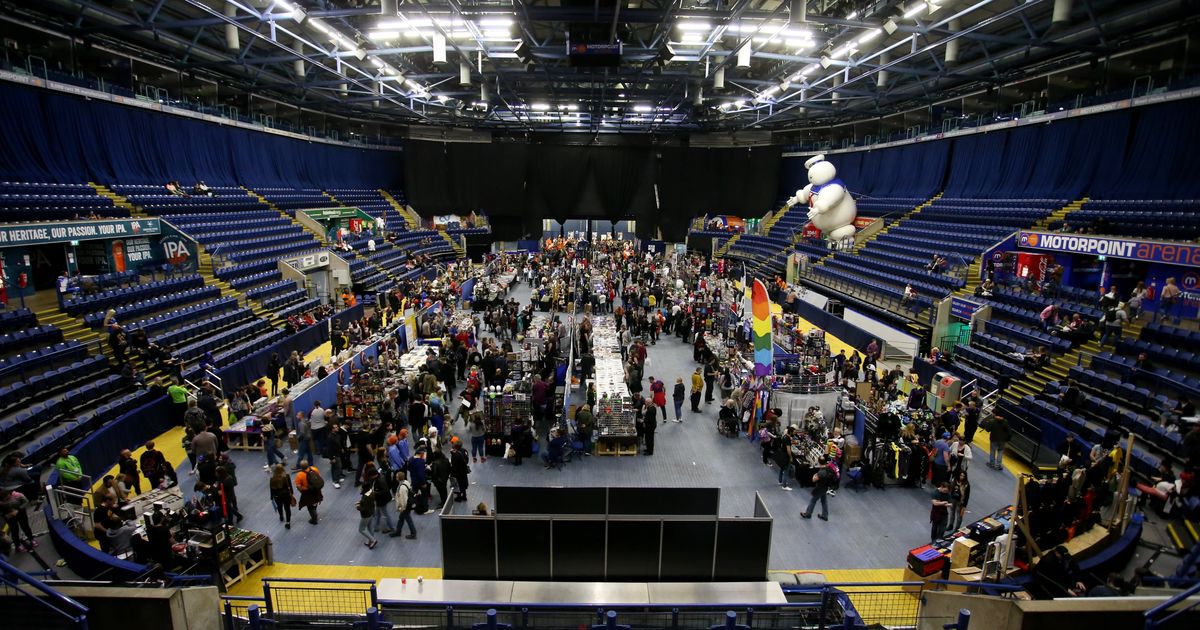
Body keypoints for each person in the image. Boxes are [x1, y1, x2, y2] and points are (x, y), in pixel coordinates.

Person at [801, 456, 833, 521]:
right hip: (825, 487)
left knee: (813, 501)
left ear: (819, 462)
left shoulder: (821, 472)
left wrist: (814, 475)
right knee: (824, 501)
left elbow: (814, 480)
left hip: (819, 488)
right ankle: (825, 515)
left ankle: (808, 514)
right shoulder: (827, 468)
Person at [294, 460, 323, 525]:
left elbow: (298, 486)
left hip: (307, 492)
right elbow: (318, 477)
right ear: (308, 465)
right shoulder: (314, 469)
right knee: (315, 501)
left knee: (310, 506)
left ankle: (314, 519)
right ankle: (315, 509)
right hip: (316, 489)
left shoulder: (299, 475)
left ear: (301, 467)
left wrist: (302, 492)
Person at [390, 471, 417, 539]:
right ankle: (398, 531)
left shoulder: (401, 487)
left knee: (408, 519)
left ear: (398, 478)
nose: (396, 478)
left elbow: (403, 499)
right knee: (401, 518)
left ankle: (413, 533)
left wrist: (402, 508)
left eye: (396, 476)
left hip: (405, 506)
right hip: (408, 505)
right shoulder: (406, 482)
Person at [269, 464, 294, 529]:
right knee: (287, 508)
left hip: (277, 496)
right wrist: (291, 493)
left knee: (279, 507)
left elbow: (271, 489)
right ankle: (288, 522)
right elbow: (290, 485)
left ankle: (281, 516)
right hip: (286, 495)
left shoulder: (272, 478)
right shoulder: (286, 476)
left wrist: (271, 497)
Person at [356, 483, 380, 550]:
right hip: (371, 512)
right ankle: (370, 542)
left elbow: (364, 509)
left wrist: (358, 507)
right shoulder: (371, 492)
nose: (360, 489)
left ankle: (373, 540)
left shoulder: (366, 496)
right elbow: (369, 503)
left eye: (361, 488)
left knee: (361, 529)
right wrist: (360, 502)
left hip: (366, 515)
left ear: (364, 489)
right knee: (370, 528)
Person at [449, 437, 470, 502]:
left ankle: (459, 497)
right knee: (463, 483)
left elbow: (454, 464)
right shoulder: (464, 451)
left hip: (457, 472)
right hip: (463, 471)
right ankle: (464, 496)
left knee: (458, 484)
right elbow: (467, 460)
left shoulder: (455, 454)